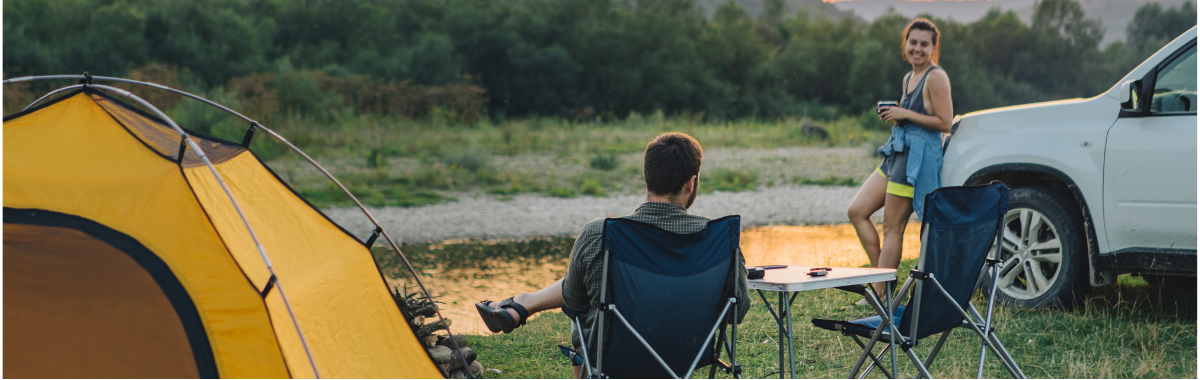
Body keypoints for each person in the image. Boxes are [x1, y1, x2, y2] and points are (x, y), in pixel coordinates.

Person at [476, 132, 750, 375]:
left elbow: (573, 301)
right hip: (686, 358)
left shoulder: (600, 234)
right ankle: (524, 304)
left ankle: (524, 304)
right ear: (691, 183)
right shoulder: (721, 239)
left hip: (614, 362)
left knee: (584, 308)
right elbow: (737, 312)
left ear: (647, 178)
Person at [847, 18, 953, 304]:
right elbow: (912, 118)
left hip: (916, 160)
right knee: (857, 211)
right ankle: (880, 279)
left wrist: (904, 114)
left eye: (924, 44)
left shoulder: (936, 77)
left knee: (893, 227)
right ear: (905, 44)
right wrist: (893, 113)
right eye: (913, 42)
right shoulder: (909, 78)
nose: (917, 48)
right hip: (898, 153)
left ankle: (880, 292)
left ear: (933, 47)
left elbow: (945, 122)